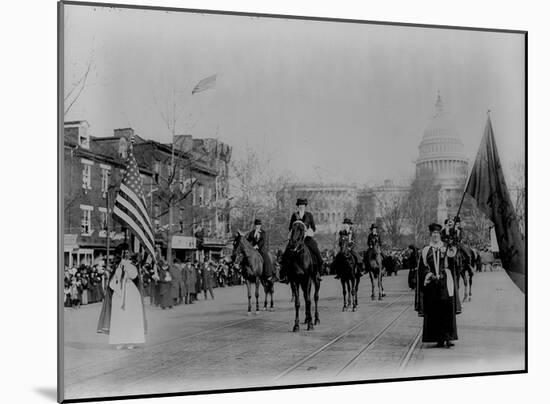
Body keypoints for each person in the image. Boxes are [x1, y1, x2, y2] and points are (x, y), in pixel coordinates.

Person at [416, 223, 461, 348]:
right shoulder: (426, 250)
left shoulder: (446, 247)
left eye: (437, 233)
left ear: (440, 234)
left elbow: (453, 262)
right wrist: (429, 274)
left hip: (445, 281)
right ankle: (437, 338)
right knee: (434, 310)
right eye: (433, 234)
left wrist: (451, 247)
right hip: (432, 283)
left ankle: (448, 338)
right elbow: (422, 268)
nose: (435, 235)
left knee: (447, 309)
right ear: (431, 235)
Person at [280, 198, 323, 283]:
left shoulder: (309, 215)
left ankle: (318, 273)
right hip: (296, 239)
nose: (301, 207)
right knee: (285, 255)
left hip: (307, 238)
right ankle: (284, 275)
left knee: (317, 253)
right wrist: (292, 236)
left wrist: (308, 232)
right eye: (300, 205)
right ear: (298, 206)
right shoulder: (294, 215)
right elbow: (290, 227)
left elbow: (313, 227)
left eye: (303, 205)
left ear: (305, 206)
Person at [108, 253, 146, 349]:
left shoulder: (132, 267)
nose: (126, 259)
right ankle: (119, 340)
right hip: (119, 292)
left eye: (128, 257)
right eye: (124, 257)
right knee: (119, 316)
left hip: (130, 292)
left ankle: (131, 340)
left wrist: (127, 266)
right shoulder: (118, 267)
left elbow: (134, 276)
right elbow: (113, 279)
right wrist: (115, 287)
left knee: (130, 315)